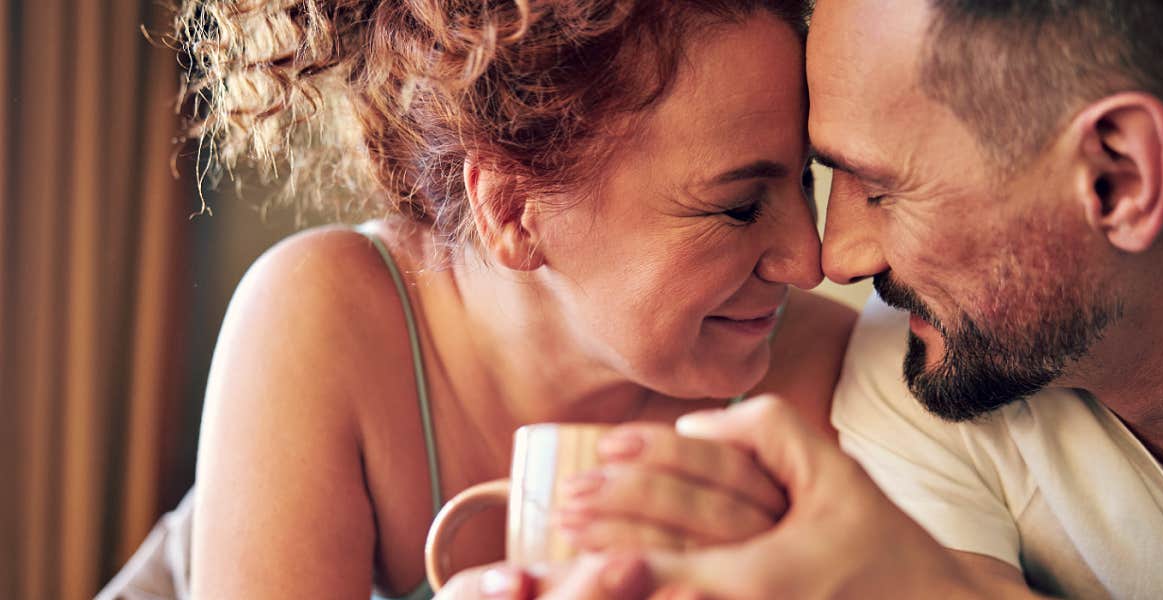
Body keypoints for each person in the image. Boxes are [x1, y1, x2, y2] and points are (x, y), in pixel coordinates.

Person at [441, 0, 1163, 597]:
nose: (830, 261)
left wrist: (923, 590)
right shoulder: (912, 379)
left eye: (879, 188)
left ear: (1118, 178)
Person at [99, 1, 857, 599]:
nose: (810, 262)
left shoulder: (812, 376)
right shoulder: (325, 322)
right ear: (512, 213)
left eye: (803, 180)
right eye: (736, 206)